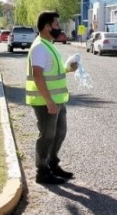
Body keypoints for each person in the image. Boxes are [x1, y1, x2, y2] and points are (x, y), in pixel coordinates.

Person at [26, 10, 79, 185]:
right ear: (47, 26)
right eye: (56, 24)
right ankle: (42, 172)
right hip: (45, 102)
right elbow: (38, 75)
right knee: (47, 135)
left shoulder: (49, 45)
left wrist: (68, 69)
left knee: (59, 133)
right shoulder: (40, 47)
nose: (59, 27)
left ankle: (52, 164)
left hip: (57, 100)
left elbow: (52, 71)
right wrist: (49, 101)